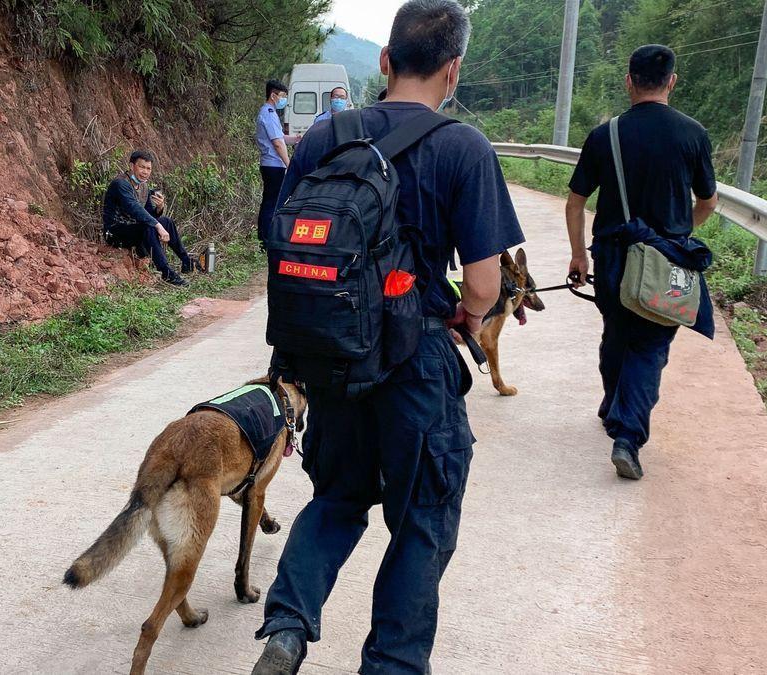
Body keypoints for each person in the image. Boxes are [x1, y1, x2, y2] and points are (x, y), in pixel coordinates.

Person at [251, 2, 523, 674]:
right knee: (422, 519)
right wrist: (463, 316)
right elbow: (486, 286)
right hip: (417, 363)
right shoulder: (463, 146)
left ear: (384, 61)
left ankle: (287, 627)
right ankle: (392, 664)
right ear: (453, 69)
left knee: (338, 497)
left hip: (334, 358)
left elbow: (287, 243)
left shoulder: (323, 136)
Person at [565, 44, 719, 480]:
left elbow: (575, 202)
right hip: (666, 261)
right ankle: (627, 436)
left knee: (617, 330)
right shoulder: (692, 134)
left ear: (628, 81)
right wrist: (677, 234)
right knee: (649, 346)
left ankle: (614, 404)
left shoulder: (605, 135)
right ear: (672, 81)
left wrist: (578, 253)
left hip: (612, 257)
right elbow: (708, 201)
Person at [102, 150, 196, 286]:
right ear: (132, 166)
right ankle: (166, 273)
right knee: (151, 225)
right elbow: (134, 208)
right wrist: (158, 226)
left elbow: (149, 214)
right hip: (115, 232)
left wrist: (159, 208)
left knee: (166, 221)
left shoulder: (143, 186)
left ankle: (187, 262)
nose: (145, 172)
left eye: (148, 168)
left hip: (135, 229)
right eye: (141, 167)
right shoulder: (120, 184)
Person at [255, 79, 296, 242]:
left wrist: (297, 138)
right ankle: (266, 239)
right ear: (273, 95)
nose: (284, 100)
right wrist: (289, 164)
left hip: (271, 165)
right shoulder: (269, 114)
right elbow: (278, 143)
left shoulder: (270, 113)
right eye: (282, 96)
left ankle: (266, 237)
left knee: (270, 202)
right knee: (271, 203)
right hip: (273, 165)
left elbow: (281, 138)